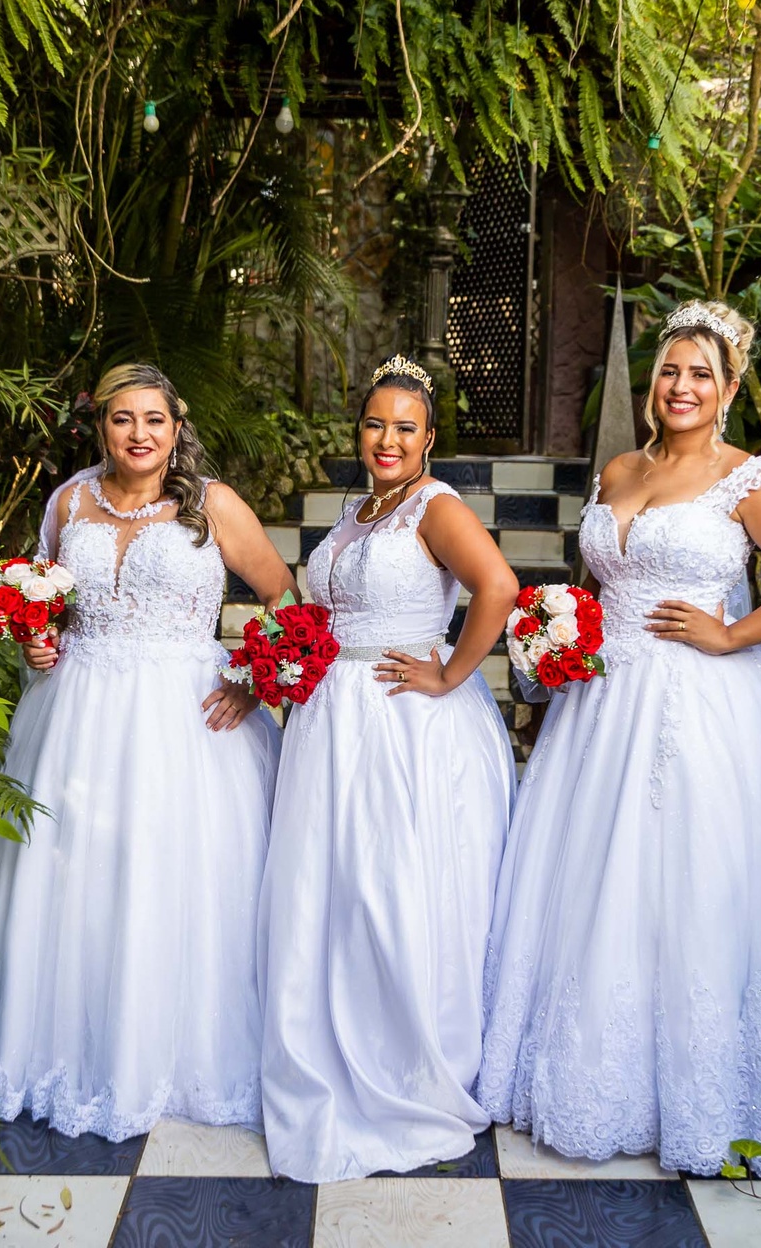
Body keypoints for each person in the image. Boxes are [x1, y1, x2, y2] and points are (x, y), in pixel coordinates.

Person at [478, 301, 761, 1176]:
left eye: (701, 374)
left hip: (696, 703)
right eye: (671, 370)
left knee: (681, 881)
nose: (682, 386)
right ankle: (583, 1070)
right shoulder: (620, 469)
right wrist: (559, 634)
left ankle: (692, 1095)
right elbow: (600, 581)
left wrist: (732, 633)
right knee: (591, 876)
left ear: (729, 390)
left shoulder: (745, 480)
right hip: (600, 706)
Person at [0, 363, 296, 1141]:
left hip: (185, 721)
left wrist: (252, 681)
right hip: (77, 713)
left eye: (154, 419)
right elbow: (44, 602)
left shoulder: (213, 505)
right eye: (122, 419)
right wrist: (37, 641)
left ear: (177, 426)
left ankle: (168, 1052)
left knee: (170, 876)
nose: (139, 434)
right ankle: (67, 1046)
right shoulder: (69, 502)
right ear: (101, 425)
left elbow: (284, 594)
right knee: (71, 876)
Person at [258, 354, 518, 1182]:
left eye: (405, 427)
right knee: (333, 887)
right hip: (332, 720)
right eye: (375, 424)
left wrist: (450, 673)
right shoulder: (360, 510)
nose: (387, 439)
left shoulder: (435, 507)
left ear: (429, 438)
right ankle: (329, 1035)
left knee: (391, 888)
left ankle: (404, 1060)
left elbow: (498, 587)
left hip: (403, 721)